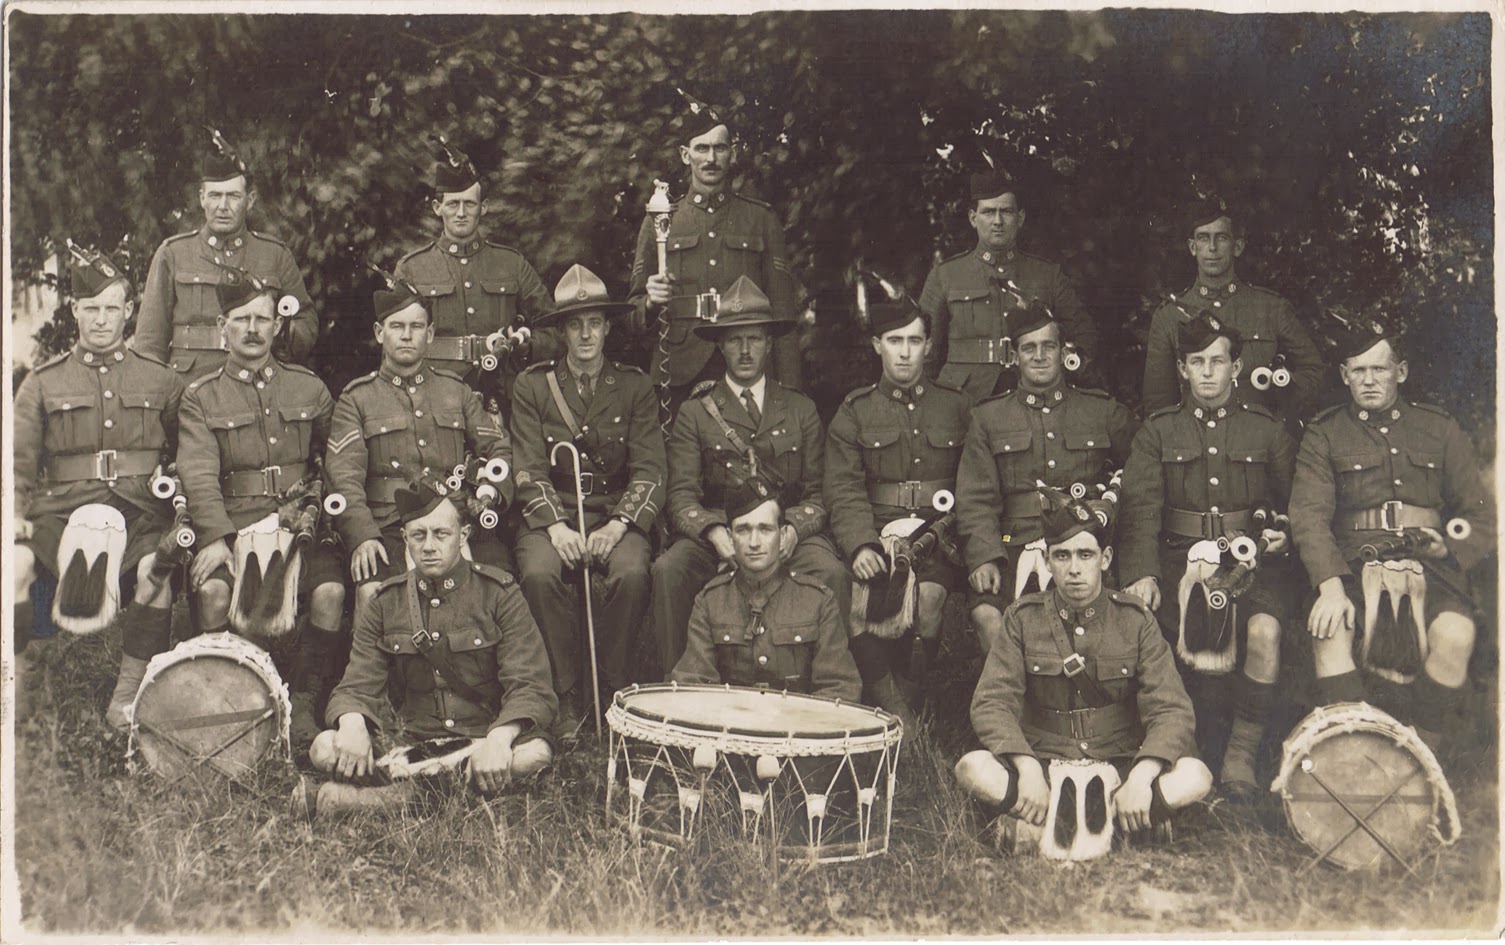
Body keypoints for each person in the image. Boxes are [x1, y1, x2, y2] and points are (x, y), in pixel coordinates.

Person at [955, 486, 1212, 847]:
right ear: (1047, 562)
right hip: (1045, 760)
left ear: (1105, 559)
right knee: (971, 768)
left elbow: (1170, 708)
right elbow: (991, 702)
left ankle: (1038, 828)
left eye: (1085, 554)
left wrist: (1142, 776)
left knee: (1196, 776)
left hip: (1120, 761)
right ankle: (1125, 829)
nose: (1074, 568)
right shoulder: (1021, 618)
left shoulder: (1135, 619)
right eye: (1062, 556)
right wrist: (1027, 769)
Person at [1291, 326, 1494, 754]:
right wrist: (1330, 586)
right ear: (1344, 375)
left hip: (1432, 570)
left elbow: (1482, 515)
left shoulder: (1438, 428)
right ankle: (1351, 761)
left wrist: (1450, 546)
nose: (1368, 380)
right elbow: (1308, 516)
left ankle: (1420, 765)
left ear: (1400, 372)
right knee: (1329, 627)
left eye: (1379, 370)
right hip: (1354, 565)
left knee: (1456, 634)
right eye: (1358, 371)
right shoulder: (1325, 433)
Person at [300, 483, 557, 819]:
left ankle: (380, 800)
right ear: (404, 538)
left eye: (441, 534)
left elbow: (530, 684)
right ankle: (444, 795)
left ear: (463, 536)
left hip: (480, 738)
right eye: (418, 535)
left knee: (534, 754)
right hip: (411, 742)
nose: (429, 546)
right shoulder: (385, 601)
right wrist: (352, 724)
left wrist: (499, 739)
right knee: (323, 748)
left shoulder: (499, 593)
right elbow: (358, 682)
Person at [1117, 317, 1297, 797]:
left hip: (1251, 562)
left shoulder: (1266, 430)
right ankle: (1181, 747)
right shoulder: (1158, 431)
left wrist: (1282, 535)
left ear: (1236, 367)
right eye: (1197, 362)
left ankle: (1241, 751)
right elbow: (1139, 509)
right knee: (1155, 631)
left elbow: (1292, 505)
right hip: (1177, 560)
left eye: (1218, 361)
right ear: (1182, 368)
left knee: (1265, 632)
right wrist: (1143, 573)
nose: (1208, 372)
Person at [14, 248, 184, 729]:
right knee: (15, 567)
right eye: (91, 308)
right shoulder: (43, 383)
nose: (102, 319)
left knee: (156, 571)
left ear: (129, 310)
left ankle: (126, 698)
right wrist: (14, 513)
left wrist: (180, 497)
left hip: (138, 509)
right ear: (75, 310)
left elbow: (190, 453)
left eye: (112, 308)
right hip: (62, 509)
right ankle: (17, 695)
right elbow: (18, 461)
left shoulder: (161, 380)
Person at [174, 270, 344, 749]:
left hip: (300, 522)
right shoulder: (201, 396)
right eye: (241, 319)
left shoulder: (308, 388)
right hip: (235, 522)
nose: (253, 329)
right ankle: (229, 700)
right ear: (222, 326)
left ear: (278, 325)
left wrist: (322, 511)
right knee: (212, 592)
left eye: (263, 319)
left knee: (330, 592)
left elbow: (334, 460)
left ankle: (305, 702)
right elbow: (198, 474)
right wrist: (216, 539)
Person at [650, 276, 847, 677]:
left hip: (784, 532)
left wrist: (792, 531)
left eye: (754, 339)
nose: (744, 350)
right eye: (735, 340)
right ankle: (676, 689)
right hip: (719, 535)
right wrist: (714, 533)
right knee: (669, 571)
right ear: (720, 345)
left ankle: (829, 688)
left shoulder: (800, 409)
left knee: (832, 573)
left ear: (769, 344)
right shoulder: (695, 412)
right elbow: (681, 496)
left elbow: (818, 494)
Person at [511, 265, 665, 726]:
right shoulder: (533, 385)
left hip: (614, 510)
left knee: (632, 573)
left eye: (594, 323)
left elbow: (650, 468)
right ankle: (565, 693)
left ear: (608, 327)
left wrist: (618, 525)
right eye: (575, 324)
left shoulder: (634, 385)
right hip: (553, 512)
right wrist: (556, 527)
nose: (585, 334)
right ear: (561, 331)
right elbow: (527, 467)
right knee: (539, 574)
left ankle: (613, 689)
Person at [326, 280, 517, 629]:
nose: (406, 335)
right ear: (379, 333)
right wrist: (362, 535)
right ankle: (369, 667)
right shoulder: (357, 399)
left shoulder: (456, 391)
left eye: (416, 327)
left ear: (429, 334)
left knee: (502, 586)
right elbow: (343, 477)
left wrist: (488, 496)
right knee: (372, 592)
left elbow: (498, 449)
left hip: (456, 521)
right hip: (389, 525)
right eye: (396, 326)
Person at [956, 300, 1136, 656]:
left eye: (1048, 346)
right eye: (1029, 348)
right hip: (1014, 543)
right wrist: (984, 556)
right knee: (987, 616)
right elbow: (975, 498)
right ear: (1014, 356)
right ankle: (1010, 691)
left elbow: (1138, 473)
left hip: (1084, 542)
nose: (1039, 356)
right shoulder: (989, 417)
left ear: (1063, 352)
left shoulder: (1101, 410)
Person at [824, 299, 969, 717]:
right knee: (858, 597)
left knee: (931, 598)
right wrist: (861, 545)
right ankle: (890, 704)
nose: (905, 352)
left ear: (929, 346)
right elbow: (843, 488)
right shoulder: (855, 411)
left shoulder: (956, 406)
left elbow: (976, 480)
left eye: (914, 341)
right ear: (877, 345)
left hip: (940, 532)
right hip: (878, 528)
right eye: (894, 341)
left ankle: (909, 702)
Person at [627, 97, 801, 413]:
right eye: (701, 148)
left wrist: (789, 394)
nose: (710, 158)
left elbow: (783, 313)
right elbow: (632, 315)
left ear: (732, 154)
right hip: (678, 370)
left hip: (747, 367)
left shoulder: (760, 219)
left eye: (719, 148)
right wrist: (650, 303)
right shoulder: (661, 220)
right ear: (685, 155)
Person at [136, 132, 317, 380]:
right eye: (215, 195)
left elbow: (306, 320)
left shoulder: (274, 255)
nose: (223, 206)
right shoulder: (173, 254)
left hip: (256, 382)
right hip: (188, 385)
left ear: (250, 201)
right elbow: (149, 343)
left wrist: (286, 336)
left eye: (233, 196)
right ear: (202, 198)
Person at [670, 472, 861, 702]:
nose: (754, 542)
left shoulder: (818, 601)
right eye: (743, 530)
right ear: (730, 537)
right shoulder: (710, 601)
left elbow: (840, 688)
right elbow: (692, 686)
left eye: (765, 529)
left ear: (782, 535)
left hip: (798, 722)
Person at [393, 137, 554, 405]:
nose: (461, 213)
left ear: (483, 207)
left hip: (503, 395)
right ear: (437, 208)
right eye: (453, 204)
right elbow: (394, 344)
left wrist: (526, 346)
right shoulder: (412, 269)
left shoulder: (512, 264)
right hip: (434, 398)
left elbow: (554, 330)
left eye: (469, 204)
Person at [918, 168, 1098, 405]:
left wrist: (1061, 372)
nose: (998, 221)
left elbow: (1084, 337)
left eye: (1006, 211)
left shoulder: (1048, 275)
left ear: (1020, 218)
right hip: (964, 400)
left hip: (1034, 398)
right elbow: (924, 353)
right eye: (988, 212)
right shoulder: (946, 275)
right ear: (973, 218)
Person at [1141, 199, 1320, 421]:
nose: (1212, 248)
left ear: (1238, 247)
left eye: (1222, 238)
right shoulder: (1170, 316)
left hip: (1261, 435)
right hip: (1196, 436)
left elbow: (1314, 370)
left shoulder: (1271, 308)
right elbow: (1158, 403)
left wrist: (1283, 408)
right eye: (1203, 238)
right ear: (1192, 247)